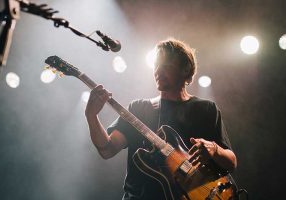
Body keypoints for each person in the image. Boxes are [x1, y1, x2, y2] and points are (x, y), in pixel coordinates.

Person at [85, 38, 237, 200]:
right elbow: (107, 149)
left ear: (185, 69)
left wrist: (214, 149)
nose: (158, 70)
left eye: (165, 65)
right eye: (156, 65)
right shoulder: (139, 108)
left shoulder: (206, 109)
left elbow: (231, 162)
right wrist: (91, 116)